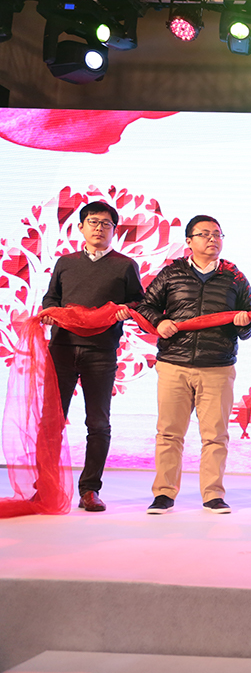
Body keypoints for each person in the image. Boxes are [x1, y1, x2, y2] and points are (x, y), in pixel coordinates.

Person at [137, 215, 251, 514]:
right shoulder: (171, 273)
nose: (212, 239)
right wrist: (159, 321)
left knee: (215, 436)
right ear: (189, 241)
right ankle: (164, 494)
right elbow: (145, 307)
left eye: (217, 234)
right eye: (204, 234)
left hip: (217, 366)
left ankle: (213, 494)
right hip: (174, 364)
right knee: (169, 433)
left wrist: (244, 324)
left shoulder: (234, 277)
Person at [41, 201, 143, 512]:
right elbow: (51, 297)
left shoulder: (125, 265)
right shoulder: (65, 262)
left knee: (98, 423)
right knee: (51, 421)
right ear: (81, 227)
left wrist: (127, 310)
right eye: (93, 222)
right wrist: (49, 311)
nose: (99, 228)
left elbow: (138, 301)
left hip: (101, 351)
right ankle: (45, 486)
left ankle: (89, 490)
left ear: (114, 230)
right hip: (62, 349)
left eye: (106, 224)